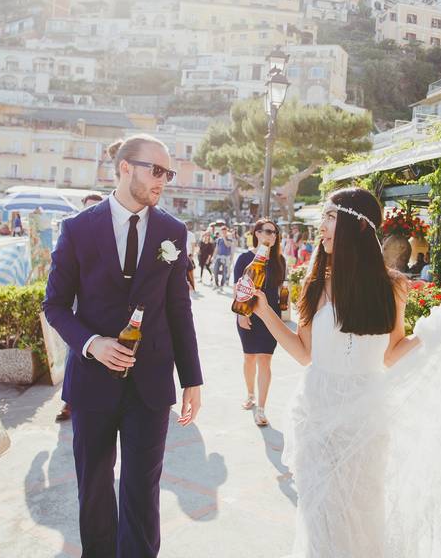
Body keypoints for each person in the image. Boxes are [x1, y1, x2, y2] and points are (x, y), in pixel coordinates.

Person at [249, 187, 441, 556]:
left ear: (357, 225)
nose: (321, 227)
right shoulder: (316, 281)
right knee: (320, 513)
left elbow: (392, 353)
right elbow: (304, 354)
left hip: (366, 418)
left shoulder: (393, 286)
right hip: (317, 413)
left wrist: (439, 329)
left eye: (330, 217)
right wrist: (263, 311)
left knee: (361, 511)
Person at [43, 134, 202, 557]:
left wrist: (192, 379)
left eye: (169, 173)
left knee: (142, 491)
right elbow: (55, 306)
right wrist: (92, 343)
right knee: (94, 487)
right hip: (92, 383)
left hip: (150, 384)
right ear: (125, 167)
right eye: (157, 170)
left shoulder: (173, 230)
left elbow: (178, 309)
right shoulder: (77, 230)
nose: (165, 180)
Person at [55, 193, 104, 424]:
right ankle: (69, 398)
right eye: (87, 209)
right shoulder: (74, 230)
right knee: (73, 345)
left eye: (95, 209)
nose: (90, 214)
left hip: (97, 303)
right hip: (74, 300)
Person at [234, 218, 286, 427]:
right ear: (256, 233)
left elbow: (280, 288)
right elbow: (238, 289)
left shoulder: (279, 261)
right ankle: (250, 394)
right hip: (248, 313)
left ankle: (261, 409)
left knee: (265, 359)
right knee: (249, 358)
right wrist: (241, 314)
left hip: (271, 316)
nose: (271, 236)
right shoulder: (244, 259)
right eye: (267, 231)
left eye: (275, 233)